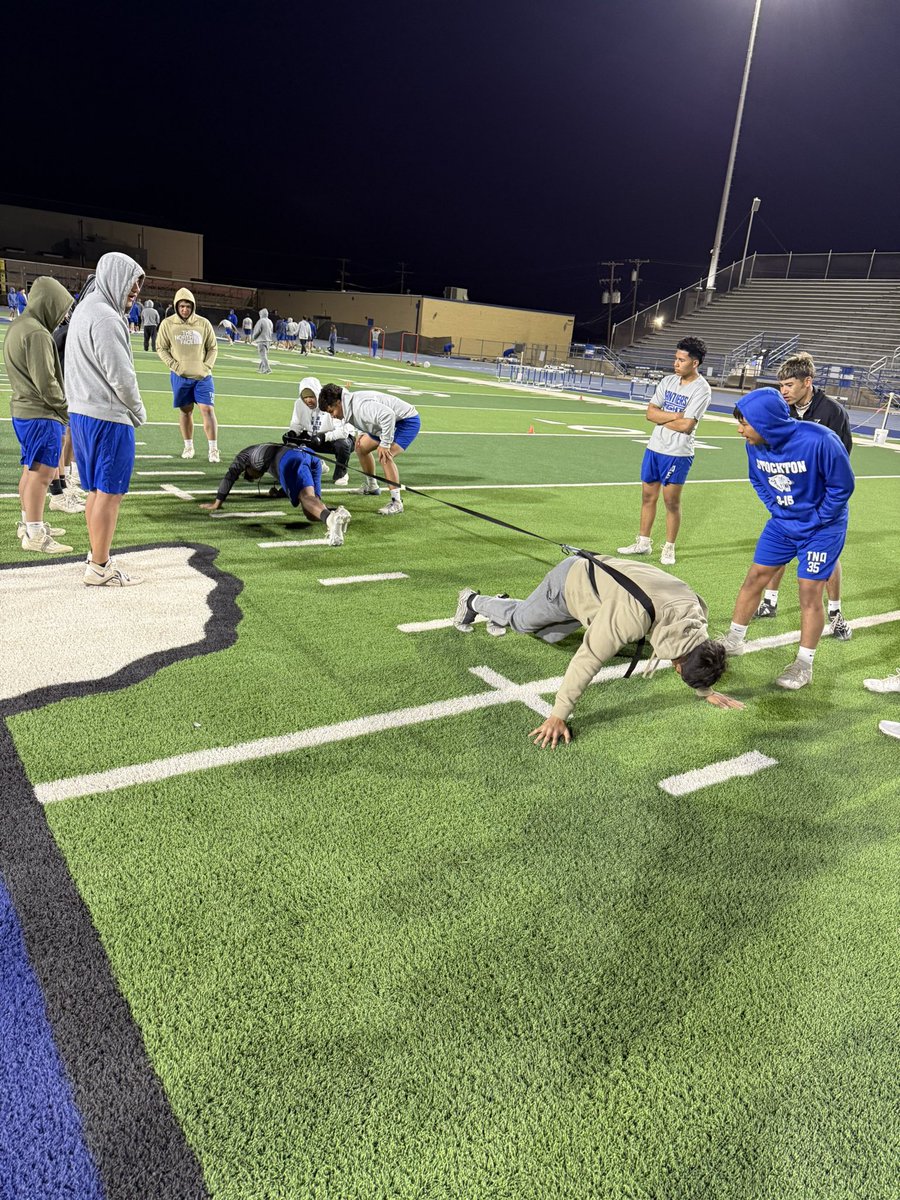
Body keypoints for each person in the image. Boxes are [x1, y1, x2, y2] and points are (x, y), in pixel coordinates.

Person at [453, 552, 740, 747]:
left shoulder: (696, 609)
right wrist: (558, 715)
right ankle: (473, 601)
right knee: (522, 623)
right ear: (679, 664)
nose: (676, 670)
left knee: (552, 635)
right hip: (569, 585)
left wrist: (706, 691)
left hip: (602, 588)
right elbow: (588, 658)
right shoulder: (631, 617)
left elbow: (693, 652)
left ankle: (506, 607)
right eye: (679, 669)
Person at [720, 387, 855, 689]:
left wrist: (817, 518)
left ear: (766, 422)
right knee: (755, 576)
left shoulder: (821, 440)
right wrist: (777, 509)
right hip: (783, 523)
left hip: (823, 528)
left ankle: (804, 665)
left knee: (809, 590)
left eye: (745, 424)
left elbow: (842, 486)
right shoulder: (754, 445)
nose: (740, 430)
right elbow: (757, 480)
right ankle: (734, 640)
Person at [754, 353, 854, 641]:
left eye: (789, 385)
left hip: (820, 500)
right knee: (780, 546)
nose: (783, 391)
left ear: (807, 382)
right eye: (781, 385)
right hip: (788, 495)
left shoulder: (833, 412)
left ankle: (835, 613)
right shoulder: (781, 410)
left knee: (828, 555)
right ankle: (770, 601)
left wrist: (822, 506)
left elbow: (840, 460)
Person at [66, 252, 146, 587]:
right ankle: (100, 566)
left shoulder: (86, 307)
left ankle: (96, 556)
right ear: (114, 277)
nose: (135, 290)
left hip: (82, 414)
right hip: (107, 416)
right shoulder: (106, 318)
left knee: (96, 491)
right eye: (131, 281)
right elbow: (121, 377)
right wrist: (139, 411)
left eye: (138, 284)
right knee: (110, 493)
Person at [617, 336, 712, 566]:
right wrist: (675, 416)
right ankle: (643, 542)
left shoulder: (702, 389)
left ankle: (669, 547)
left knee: (671, 502)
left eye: (681, 360)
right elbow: (650, 413)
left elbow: (686, 426)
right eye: (675, 358)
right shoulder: (668, 381)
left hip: (677, 453)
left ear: (695, 363)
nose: (676, 363)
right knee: (647, 497)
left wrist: (663, 418)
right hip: (654, 448)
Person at [3, 276, 75, 553]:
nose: (61, 315)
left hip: (25, 410)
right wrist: (65, 409)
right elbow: (47, 383)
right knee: (41, 475)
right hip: (40, 414)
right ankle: (34, 533)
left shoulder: (20, 325)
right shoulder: (37, 333)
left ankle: (29, 524)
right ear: (49, 302)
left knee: (30, 470)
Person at [200, 441, 351, 545]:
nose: (255, 477)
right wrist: (279, 493)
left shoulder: (244, 457)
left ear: (247, 467)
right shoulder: (266, 451)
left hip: (292, 458)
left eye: (250, 475)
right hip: (307, 454)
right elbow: (292, 480)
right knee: (310, 511)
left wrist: (217, 503)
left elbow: (230, 476)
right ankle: (336, 514)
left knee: (306, 498)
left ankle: (331, 519)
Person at [318, 383, 420, 515]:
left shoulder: (361, 406)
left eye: (331, 411)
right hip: (383, 424)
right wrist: (362, 432)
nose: (332, 416)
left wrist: (385, 444)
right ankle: (372, 486)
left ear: (338, 402)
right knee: (360, 447)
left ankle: (397, 502)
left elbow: (388, 415)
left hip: (406, 421)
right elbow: (365, 420)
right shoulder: (348, 404)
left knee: (385, 456)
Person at [156, 287, 219, 463]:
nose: (185, 309)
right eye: (182, 306)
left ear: (193, 306)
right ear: (177, 306)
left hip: (203, 376)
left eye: (188, 306)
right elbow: (161, 348)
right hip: (180, 376)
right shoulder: (167, 324)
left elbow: (212, 347)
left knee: (208, 410)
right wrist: (174, 366)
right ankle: (188, 446)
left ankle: (213, 449)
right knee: (186, 412)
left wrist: (207, 366)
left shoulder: (203, 323)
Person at [288, 376, 354, 486]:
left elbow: (343, 432)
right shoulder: (299, 404)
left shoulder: (329, 403)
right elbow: (296, 423)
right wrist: (292, 432)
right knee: (291, 440)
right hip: (313, 437)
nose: (308, 400)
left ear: (317, 394)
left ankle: (341, 474)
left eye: (311, 396)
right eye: (305, 397)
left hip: (336, 438)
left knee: (342, 444)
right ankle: (317, 464)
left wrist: (324, 437)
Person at [252, 307, 274, 372]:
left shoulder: (261, 321)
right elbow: (271, 331)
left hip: (262, 340)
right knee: (264, 355)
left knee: (263, 355)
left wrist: (254, 337)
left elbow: (257, 331)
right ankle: (261, 369)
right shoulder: (270, 321)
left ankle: (267, 368)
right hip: (268, 340)